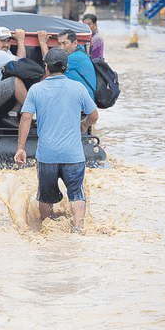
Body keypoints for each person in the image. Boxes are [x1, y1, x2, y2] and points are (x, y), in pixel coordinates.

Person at [14, 48, 99, 234]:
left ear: (46, 67)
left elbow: (26, 118)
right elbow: (94, 115)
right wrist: (83, 125)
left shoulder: (36, 89)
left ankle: (48, 228)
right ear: (66, 67)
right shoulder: (78, 87)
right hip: (73, 155)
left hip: (47, 155)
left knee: (45, 196)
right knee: (77, 193)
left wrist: (21, 148)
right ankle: (78, 228)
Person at [39, 29, 96, 102]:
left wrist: (43, 43)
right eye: (59, 44)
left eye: (64, 43)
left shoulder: (77, 56)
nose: (61, 47)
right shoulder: (78, 53)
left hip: (83, 102)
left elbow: (50, 62)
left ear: (75, 43)